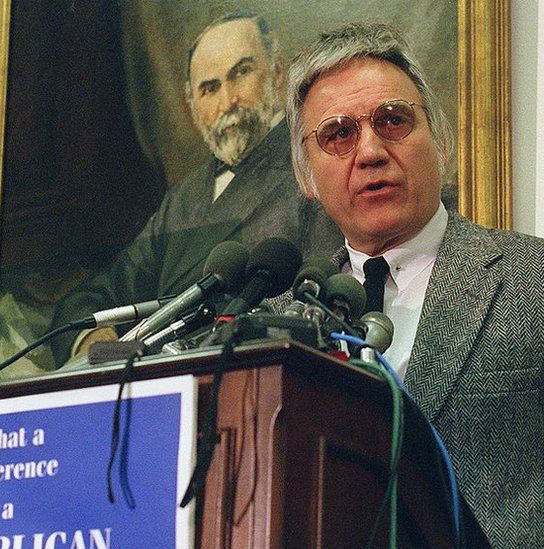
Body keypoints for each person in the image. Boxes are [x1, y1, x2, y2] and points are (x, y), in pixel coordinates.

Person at [284, 23, 544, 546]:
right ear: (306, 175)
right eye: (339, 134)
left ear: (442, 140)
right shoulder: (282, 324)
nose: (371, 150)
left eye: (393, 120)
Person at [49, 11, 341, 366]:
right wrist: (95, 337)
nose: (228, 100)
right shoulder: (183, 199)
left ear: (278, 74)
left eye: (242, 73)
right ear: (193, 107)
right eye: (210, 88)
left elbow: (322, 300)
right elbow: (104, 292)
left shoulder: (312, 165)